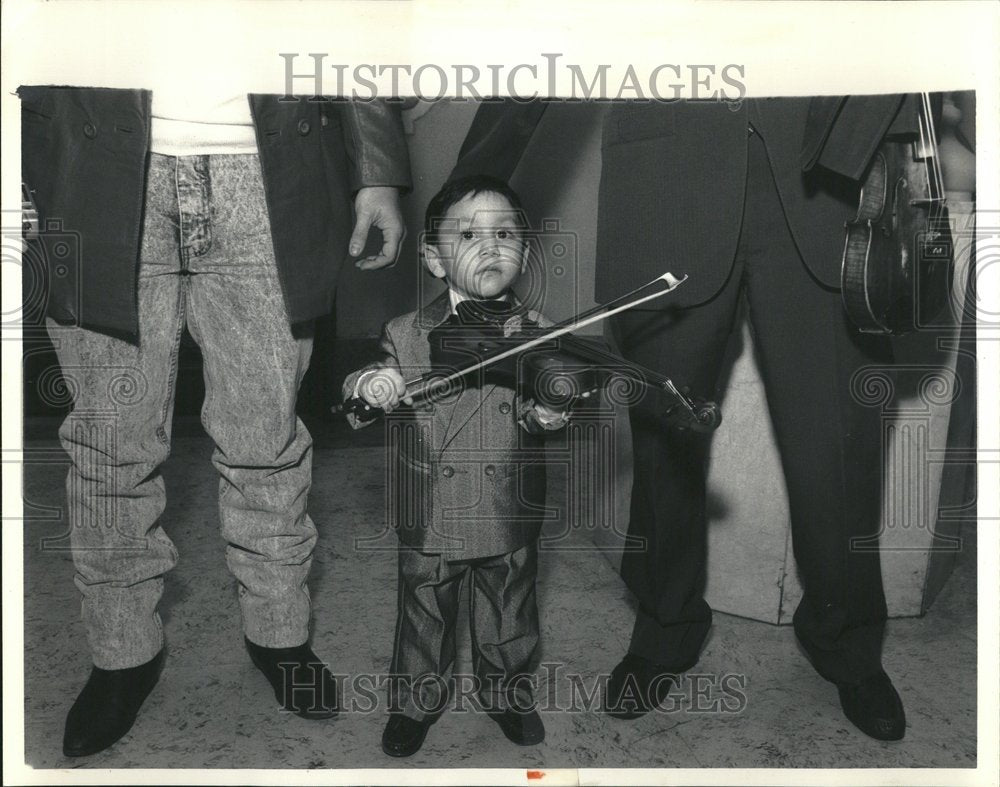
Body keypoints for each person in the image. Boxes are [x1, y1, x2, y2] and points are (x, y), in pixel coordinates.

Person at [451, 95, 921, 741]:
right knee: (662, 442)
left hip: (828, 189)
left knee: (837, 449)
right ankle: (666, 627)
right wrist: (464, 191)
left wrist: (883, 140)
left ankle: (847, 642)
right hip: (665, 186)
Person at [19, 85, 411, 757]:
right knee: (109, 446)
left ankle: (278, 634)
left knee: (267, 438)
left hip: (269, 173)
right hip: (98, 169)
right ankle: (122, 652)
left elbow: (352, 22)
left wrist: (377, 169)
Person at [341, 175, 569, 757]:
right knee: (424, 614)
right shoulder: (405, 333)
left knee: (509, 611)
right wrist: (373, 384)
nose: (490, 247)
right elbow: (356, 394)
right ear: (433, 259)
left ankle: (507, 693)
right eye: (468, 235)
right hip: (432, 506)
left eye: (506, 234)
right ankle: (416, 704)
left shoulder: (538, 333)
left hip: (506, 501)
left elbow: (534, 414)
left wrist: (548, 411)